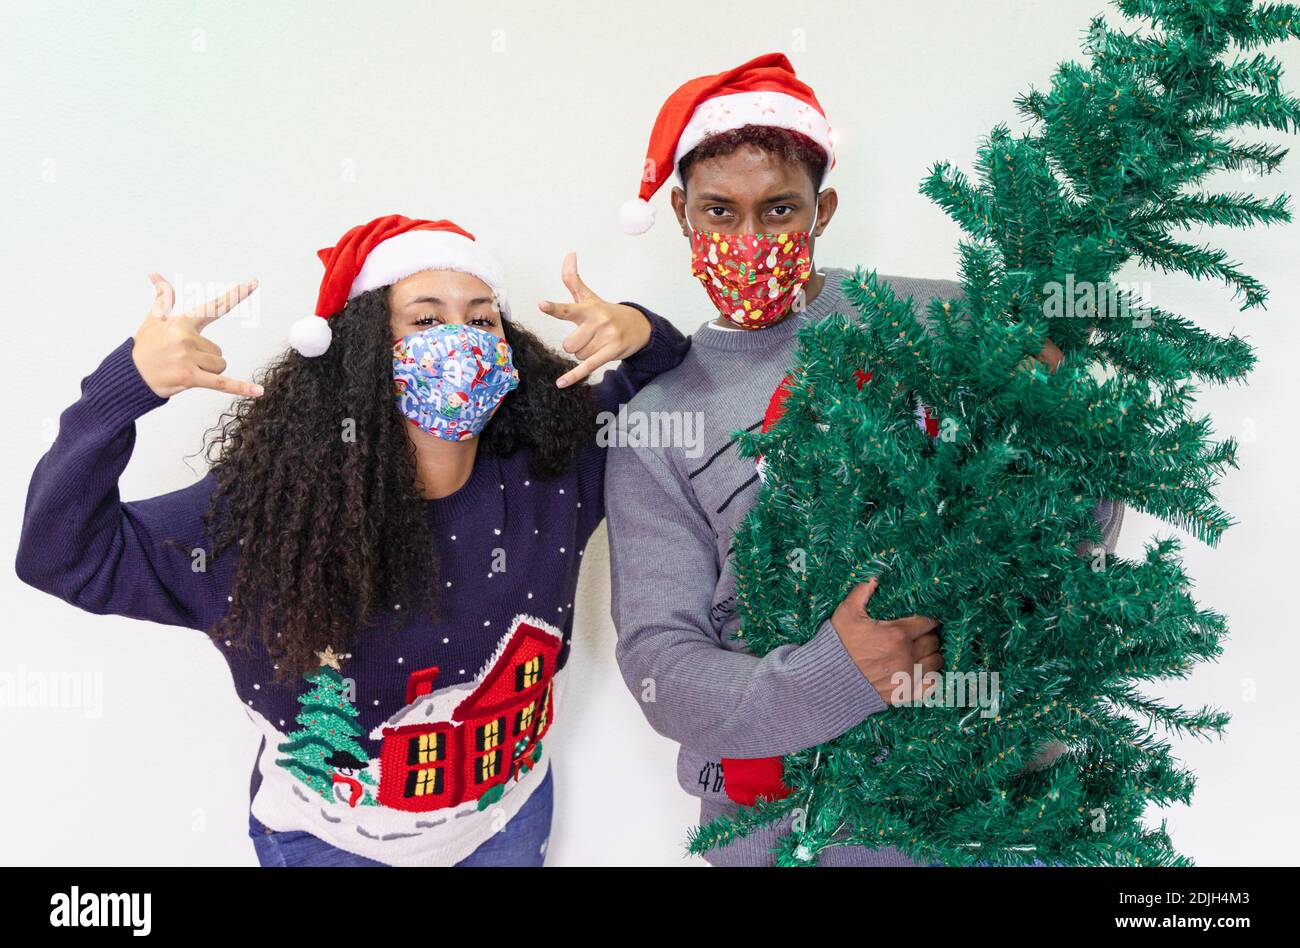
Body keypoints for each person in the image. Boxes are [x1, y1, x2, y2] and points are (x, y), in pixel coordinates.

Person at [16, 213, 689, 866]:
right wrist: (121, 392)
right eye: (425, 319)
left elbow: (669, 382)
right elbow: (59, 554)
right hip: (326, 846)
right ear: (364, 354)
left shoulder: (557, 470)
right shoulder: (260, 520)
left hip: (508, 822)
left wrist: (639, 326)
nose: (461, 340)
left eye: (482, 318)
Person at [604, 54, 1124, 866]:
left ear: (823, 209)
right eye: (719, 212)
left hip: (995, 807)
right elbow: (659, 665)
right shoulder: (656, 422)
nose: (748, 240)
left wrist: (1065, 428)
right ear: (680, 213)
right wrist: (831, 674)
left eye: (778, 210)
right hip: (792, 831)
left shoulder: (940, 321)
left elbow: (1079, 533)